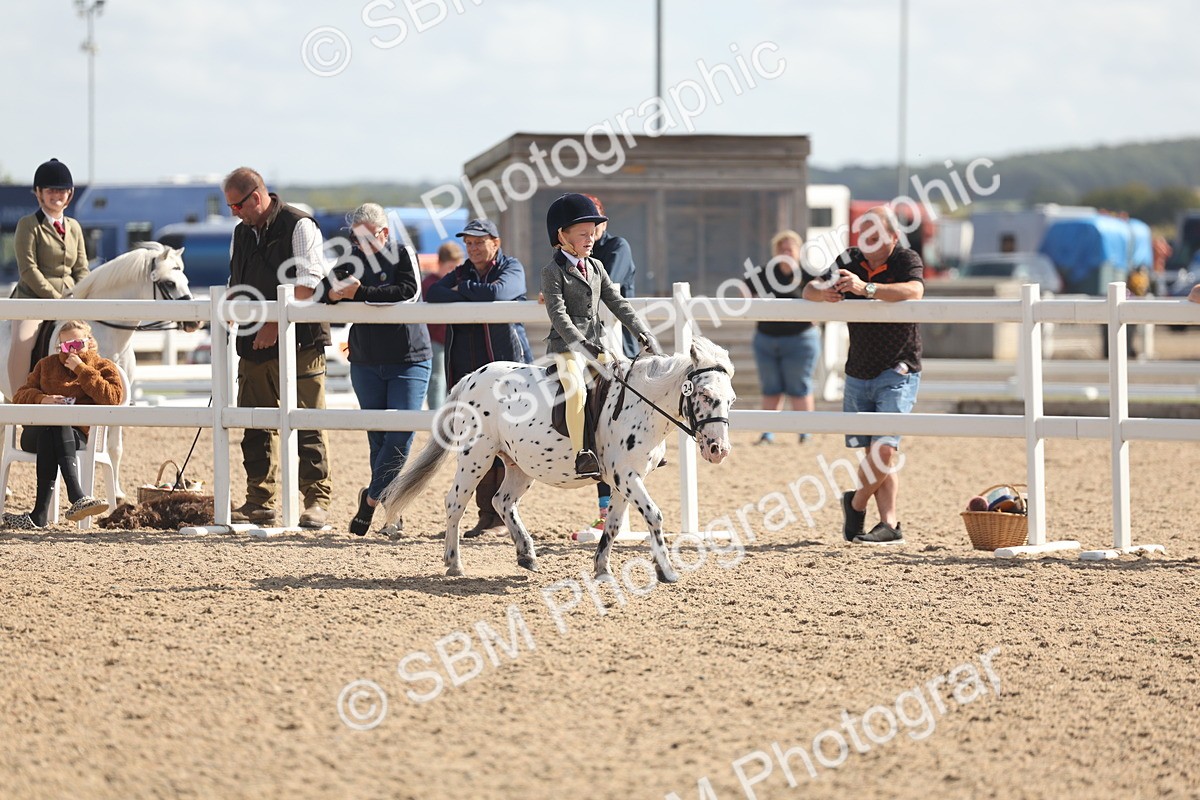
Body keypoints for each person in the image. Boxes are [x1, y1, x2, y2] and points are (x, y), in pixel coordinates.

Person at [804, 206, 924, 545]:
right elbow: (808, 290)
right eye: (864, 234)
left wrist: (865, 288)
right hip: (858, 369)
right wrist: (824, 294)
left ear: (892, 236)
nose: (868, 241)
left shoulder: (905, 258)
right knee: (876, 453)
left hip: (898, 367)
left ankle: (855, 505)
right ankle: (890, 525)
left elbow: (915, 292)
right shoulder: (850, 258)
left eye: (875, 234)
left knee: (884, 450)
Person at [223, 167, 332, 529]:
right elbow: (235, 281)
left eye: (237, 205)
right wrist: (228, 308)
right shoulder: (240, 234)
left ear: (256, 197)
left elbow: (311, 283)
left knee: (308, 422)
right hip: (253, 345)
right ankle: (259, 499)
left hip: (301, 342)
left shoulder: (300, 225)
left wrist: (275, 322)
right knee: (254, 424)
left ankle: (316, 500)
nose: (234, 213)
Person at [322, 203, 432, 537]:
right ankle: (392, 512)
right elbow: (326, 291)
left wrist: (360, 293)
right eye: (357, 239)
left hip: (408, 356)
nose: (361, 246)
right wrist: (335, 292)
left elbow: (409, 293)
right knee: (378, 437)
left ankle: (371, 500)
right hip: (366, 358)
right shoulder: (352, 258)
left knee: (400, 434)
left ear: (384, 232)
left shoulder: (402, 253)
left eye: (367, 238)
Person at [541, 193, 662, 480]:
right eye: (583, 233)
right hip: (568, 348)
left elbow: (618, 303)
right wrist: (581, 344)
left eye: (592, 233)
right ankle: (583, 453)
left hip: (597, 343)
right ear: (562, 235)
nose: (591, 238)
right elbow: (558, 316)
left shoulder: (596, 267)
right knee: (577, 391)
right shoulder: (552, 271)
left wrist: (643, 332)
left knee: (626, 382)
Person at [426, 219, 530, 538]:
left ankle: (499, 516)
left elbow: (501, 293)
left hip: (506, 365)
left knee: (507, 437)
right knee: (474, 438)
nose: (472, 249)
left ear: (495, 243)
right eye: (468, 243)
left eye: (478, 242)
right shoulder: (461, 272)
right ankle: (487, 515)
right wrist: (472, 292)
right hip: (468, 365)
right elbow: (434, 294)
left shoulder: (511, 266)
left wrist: (463, 292)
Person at [2, 321, 121, 529]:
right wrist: (42, 399)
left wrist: (82, 369)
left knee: (57, 424)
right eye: (65, 346)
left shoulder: (103, 366)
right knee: (55, 422)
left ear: (89, 341)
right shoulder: (46, 365)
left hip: (77, 436)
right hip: (35, 434)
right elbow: (19, 395)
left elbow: (113, 398)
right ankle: (77, 496)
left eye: (76, 344)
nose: (70, 351)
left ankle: (39, 515)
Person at [8, 159, 89, 395]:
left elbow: (82, 268)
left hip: (70, 298)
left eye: (62, 190)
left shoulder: (74, 227)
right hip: (33, 300)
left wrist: (82, 295)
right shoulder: (28, 225)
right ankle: (19, 397)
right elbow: (28, 270)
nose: (57, 195)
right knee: (23, 342)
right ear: (39, 194)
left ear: (70, 194)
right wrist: (56, 299)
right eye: (51, 190)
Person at [746, 229, 821, 446]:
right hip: (767, 338)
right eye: (781, 248)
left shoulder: (809, 275)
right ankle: (768, 433)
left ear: (799, 251)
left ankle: (805, 433)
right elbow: (744, 290)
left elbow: (824, 296)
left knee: (799, 386)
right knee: (770, 387)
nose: (786, 252)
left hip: (801, 339)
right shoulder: (765, 274)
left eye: (790, 248)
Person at [421, 241, 462, 409]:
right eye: (450, 267)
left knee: (451, 378)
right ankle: (437, 414)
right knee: (437, 379)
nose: (453, 272)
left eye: (456, 267)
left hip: (452, 339)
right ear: (440, 264)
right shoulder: (430, 283)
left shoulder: (449, 283)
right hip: (435, 339)